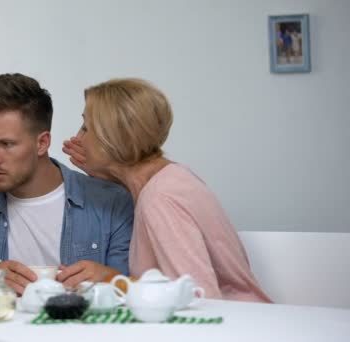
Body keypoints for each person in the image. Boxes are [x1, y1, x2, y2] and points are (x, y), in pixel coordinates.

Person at [0, 73, 134, 295]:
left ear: (42, 143)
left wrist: (110, 278)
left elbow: (136, 286)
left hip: (82, 329)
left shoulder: (111, 203)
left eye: (6, 144)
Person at [62, 78, 271, 302]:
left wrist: (114, 280)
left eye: (86, 128)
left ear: (113, 138)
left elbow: (199, 298)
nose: (77, 138)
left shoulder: (160, 198)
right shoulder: (169, 178)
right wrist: (109, 172)